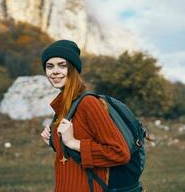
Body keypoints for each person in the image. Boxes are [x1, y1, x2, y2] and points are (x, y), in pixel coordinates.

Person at [40, 40, 130, 192]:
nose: (55, 71)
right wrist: (53, 141)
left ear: (73, 69)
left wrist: (73, 142)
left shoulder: (88, 103)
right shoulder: (63, 106)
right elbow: (73, 155)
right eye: (50, 66)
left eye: (62, 65)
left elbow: (120, 153)